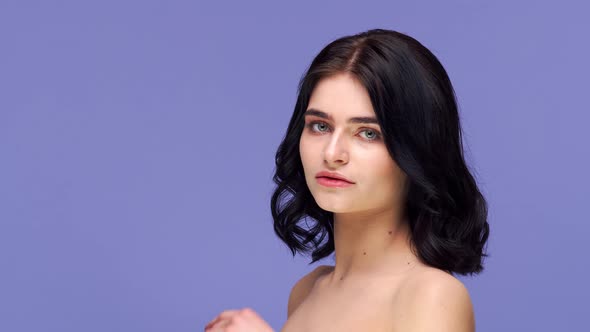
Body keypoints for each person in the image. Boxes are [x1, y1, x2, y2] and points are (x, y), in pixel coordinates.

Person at [204, 28, 489, 332]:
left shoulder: (431, 296)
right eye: (320, 126)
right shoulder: (307, 292)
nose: (332, 153)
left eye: (368, 133)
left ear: (417, 150)